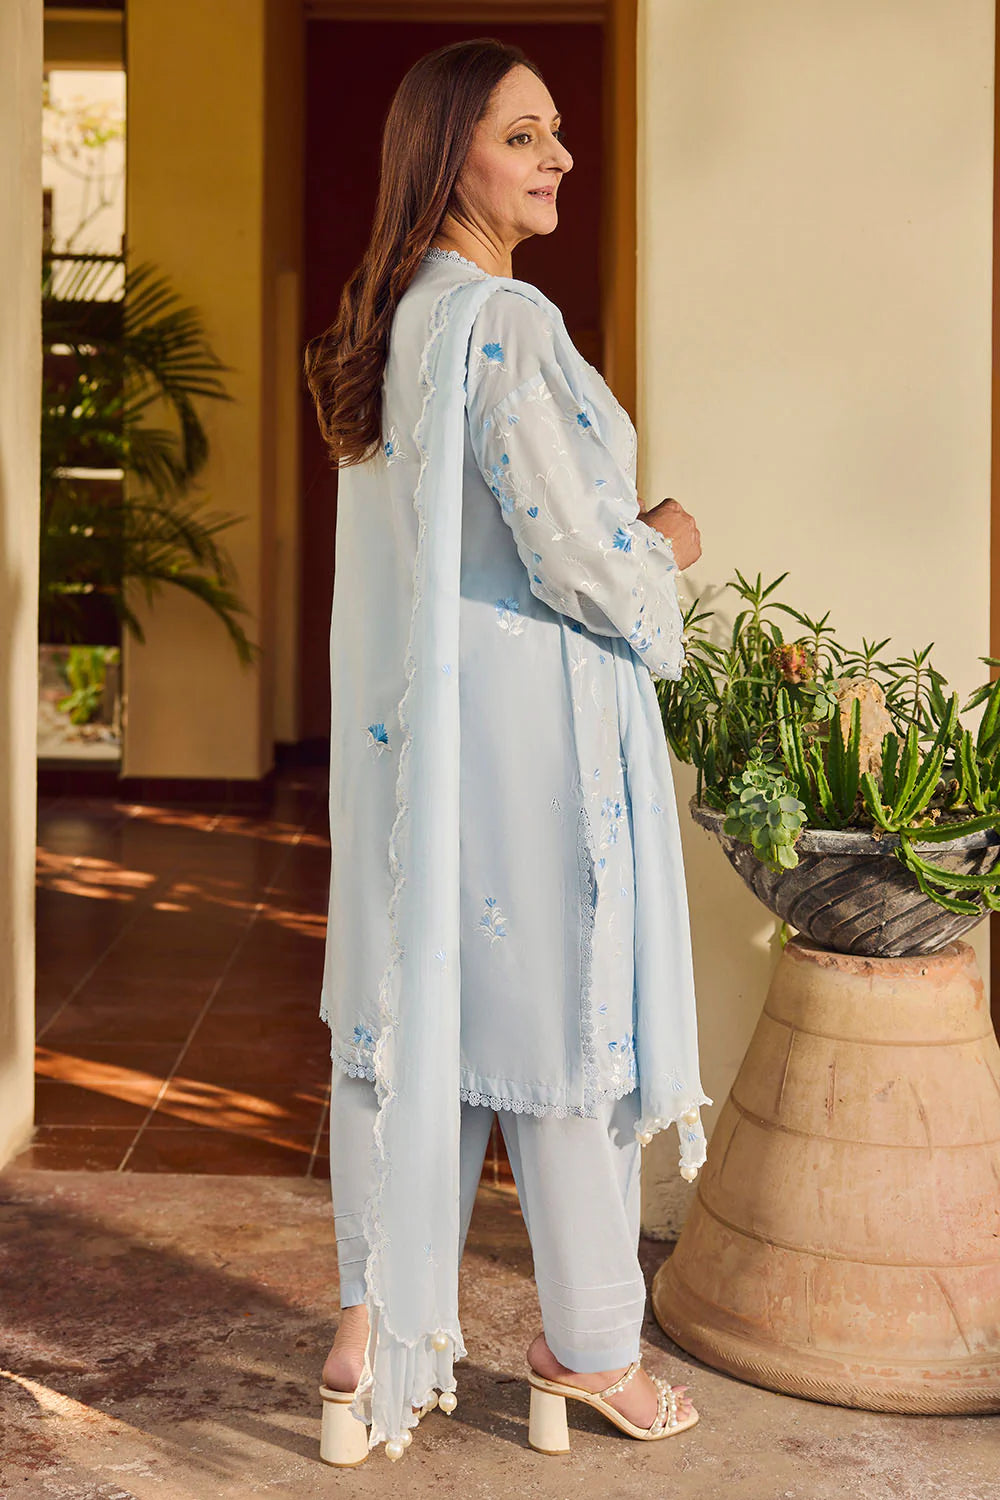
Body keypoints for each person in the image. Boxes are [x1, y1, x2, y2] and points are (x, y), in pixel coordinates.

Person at [303, 36, 711, 1466]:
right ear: (448, 159)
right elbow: (572, 557)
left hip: (422, 745)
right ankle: (590, 1348)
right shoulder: (505, 324)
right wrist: (664, 544)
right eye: (523, 136)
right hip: (533, 736)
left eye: (556, 134)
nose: (559, 159)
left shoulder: (396, 320)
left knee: (405, 1010)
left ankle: (364, 1336)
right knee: (566, 1026)